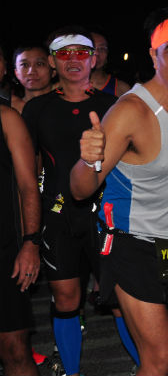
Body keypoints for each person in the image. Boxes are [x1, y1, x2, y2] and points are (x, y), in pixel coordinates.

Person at [69, 6, 168, 376]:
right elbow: (80, 190)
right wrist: (88, 160)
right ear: (154, 56)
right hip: (131, 246)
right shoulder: (132, 111)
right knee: (159, 356)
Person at [21, 26, 134, 376]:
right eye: (64, 54)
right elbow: (30, 170)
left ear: (93, 59)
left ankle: (148, 366)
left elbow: (131, 164)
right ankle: (71, 372)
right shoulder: (37, 109)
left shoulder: (113, 105)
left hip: (107, 215)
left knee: (120, 299)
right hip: (58, 215)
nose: (73, 60)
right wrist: (29, 228)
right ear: (53, 61)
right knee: (66, 298)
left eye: (81, 53)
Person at [0, 104, 41, 376]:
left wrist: (31, 242)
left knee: (14, 348)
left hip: (5, 251)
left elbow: (28, 186)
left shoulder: (6, 118)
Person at [12, 44, 55, 113]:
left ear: (53, 71)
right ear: (16, 73)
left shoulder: (67, 105)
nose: (31, 72)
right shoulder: (9, 110)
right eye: (25, 65)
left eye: (39, 64)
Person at [89, 30, 131, 96]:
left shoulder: (121, 88)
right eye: (91, 48)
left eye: (101, 49)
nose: (96, 53)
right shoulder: (71, 85)